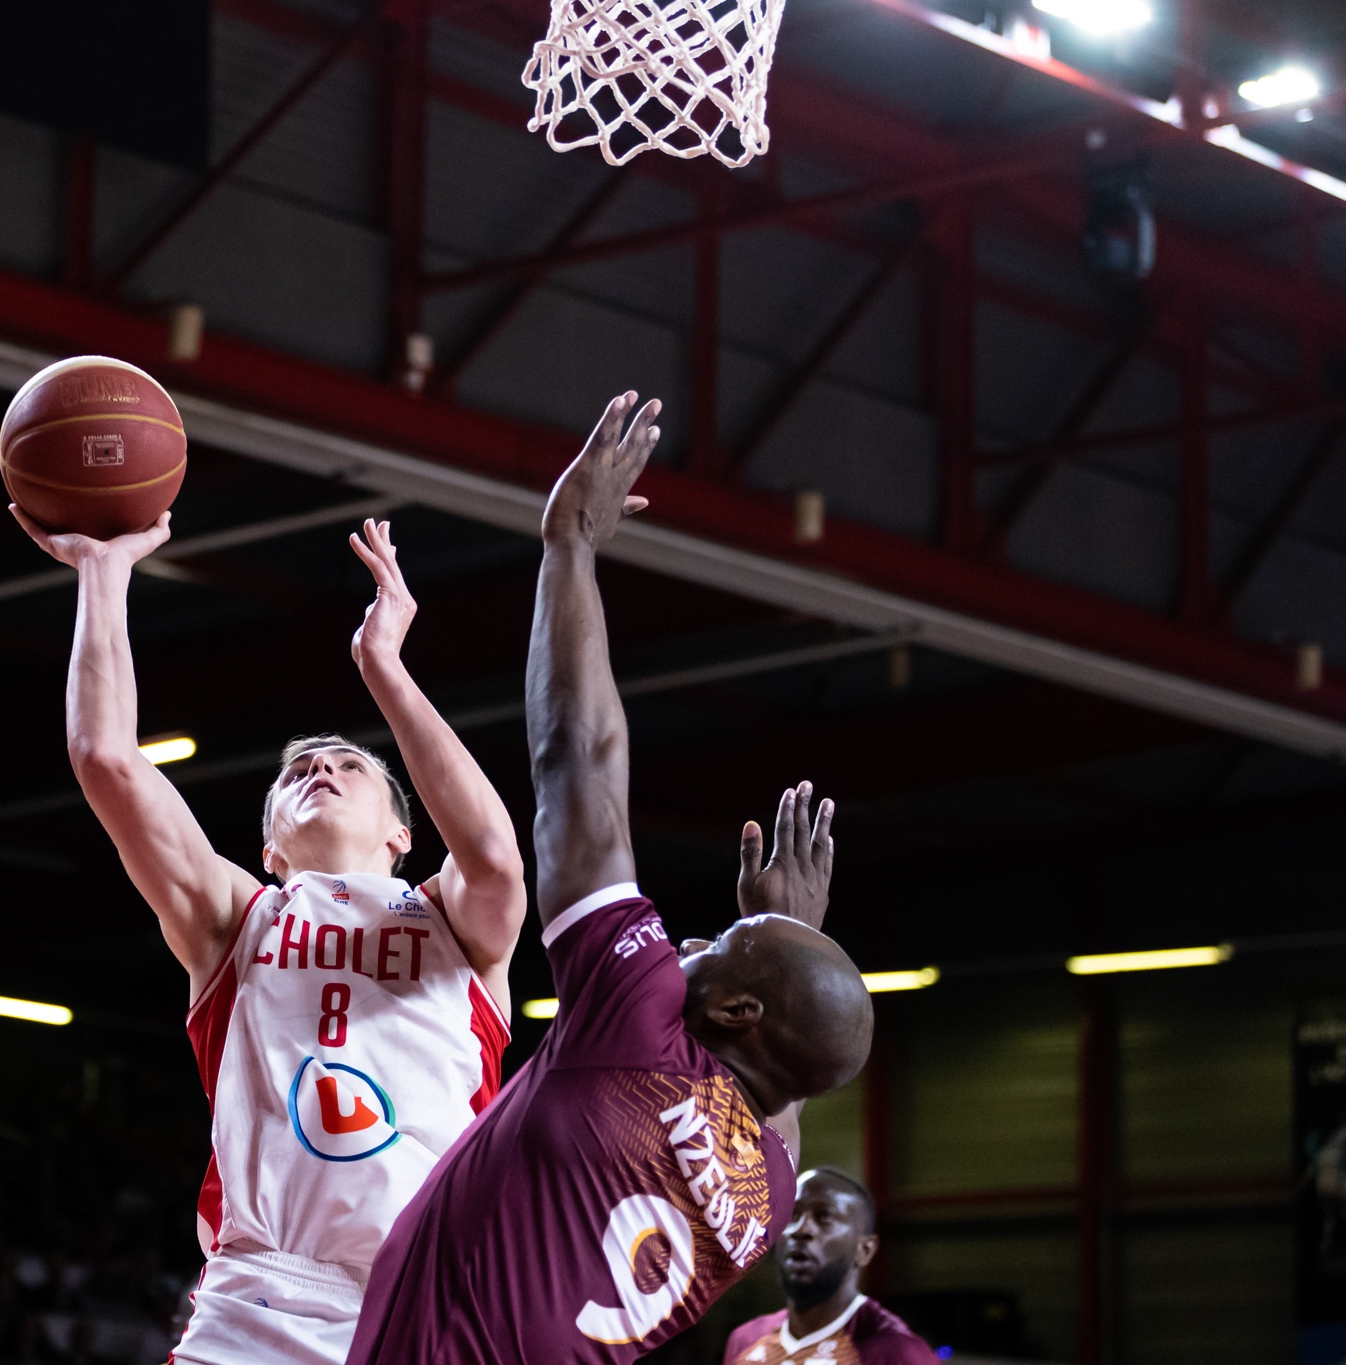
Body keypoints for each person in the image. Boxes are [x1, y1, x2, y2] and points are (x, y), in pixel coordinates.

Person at [347, 391, 874, 1364]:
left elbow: (575, 761)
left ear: (739, 1016)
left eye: (718, 947)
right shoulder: (758, 1198)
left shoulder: (634, 1029)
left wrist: (569, 548)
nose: (691, 942)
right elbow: (783, 1106)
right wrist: (776, 940)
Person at [13, 508, 526, 1365]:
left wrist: (384, 668)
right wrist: (102, 572)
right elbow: (105, 756)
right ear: (269, 848)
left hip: (426, 1305)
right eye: (298, 771)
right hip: (256, 1303)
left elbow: (497, 856)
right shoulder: (235, 919)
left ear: (403, 834)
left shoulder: (453, 920)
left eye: (347, 764)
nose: (321, 767)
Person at [722, 1169, 934, 1365]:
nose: (801, 1230)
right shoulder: (744, 1340)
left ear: (864, 1250)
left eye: (824, 1217)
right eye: (792, 1216)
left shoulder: (898, 1352)